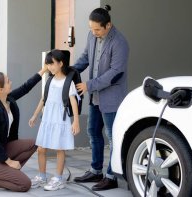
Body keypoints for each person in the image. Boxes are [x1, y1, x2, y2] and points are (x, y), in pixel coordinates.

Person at [72, 5, 129, 191]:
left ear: (108, 25)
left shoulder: (120, 43)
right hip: (95, 97)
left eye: (97, 29)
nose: (93, 32)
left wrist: (89, 85)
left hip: (111, 97)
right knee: (93, 133)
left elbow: (116, 73)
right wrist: (70, 72)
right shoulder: (92, 36)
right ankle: (96, 170)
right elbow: (85, 57)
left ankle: (111, 176)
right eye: (91, 28)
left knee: (113, 138)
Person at [28, 49, 80, 191]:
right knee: (41, 148)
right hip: (47, 118)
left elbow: (73, 101)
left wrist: (76, 121)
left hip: (60, 118)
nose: (49, 67)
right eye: (47, 64)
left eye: (52, 64)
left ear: (61, 63)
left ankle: (58, 178)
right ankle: (42, 176)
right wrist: (34, 115)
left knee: (59, 148)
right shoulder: (49, 80)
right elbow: (44, 99)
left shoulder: (68, 82)